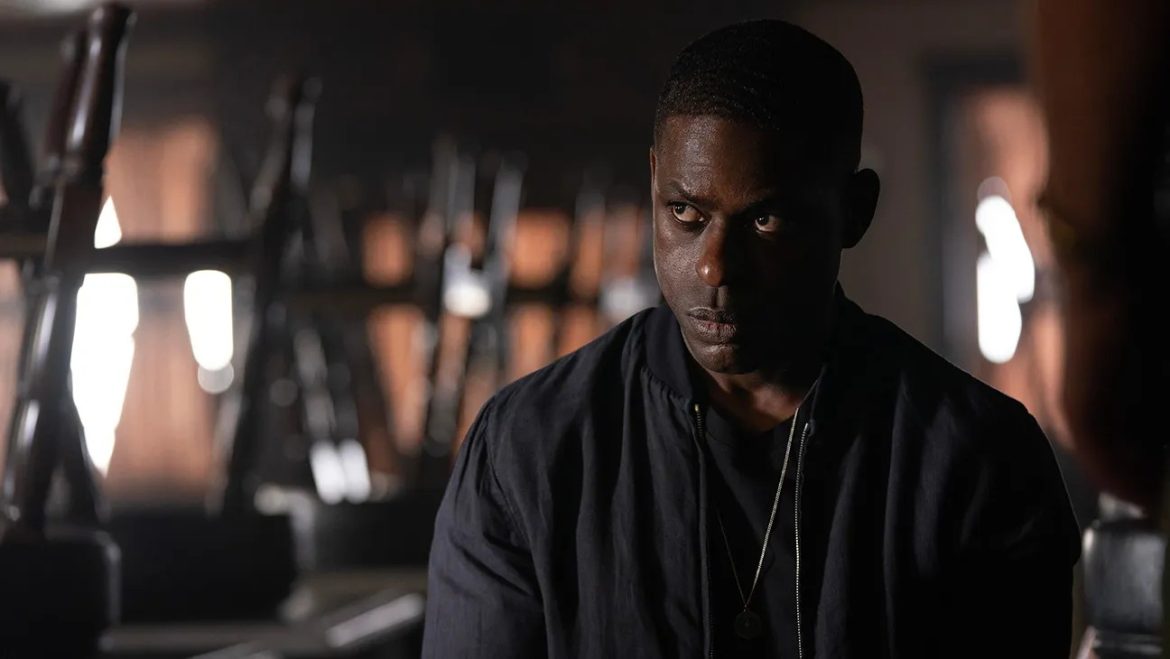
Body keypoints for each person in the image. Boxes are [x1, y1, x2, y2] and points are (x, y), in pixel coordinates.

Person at [422, 19, 1080, 658]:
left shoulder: (978, 459)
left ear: (854, 210)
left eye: (766, 220)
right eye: (685, 212)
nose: (715, 268)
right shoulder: (526, 451)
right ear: (654, 181)